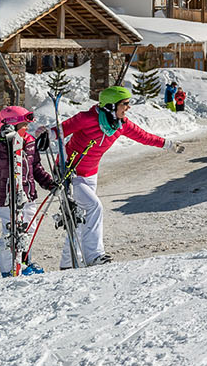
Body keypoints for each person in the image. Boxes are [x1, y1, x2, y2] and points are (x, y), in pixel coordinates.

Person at [58, 86, 185, 268]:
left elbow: (144, 136)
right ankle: (94, 256)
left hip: (90, 175)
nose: (128, 107)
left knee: (78, 216)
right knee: (94, 207)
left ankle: (68, 262)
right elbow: (60, 130)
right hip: (71, 173)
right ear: (110, 106)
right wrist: (44, 135)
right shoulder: (87, 118)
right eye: (125, 104)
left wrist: (169, 144)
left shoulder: (120, 125)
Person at [0, 106, 57, 276]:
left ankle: (24, 263)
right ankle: (8, 268)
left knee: (28, 230)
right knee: (10, 232)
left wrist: (48, 183)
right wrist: (6, 142)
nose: (27, 128)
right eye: (24, 125)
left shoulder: (29, 140)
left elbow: (36, 166)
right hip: (7, 196)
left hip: (28, 195)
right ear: (10, 126)